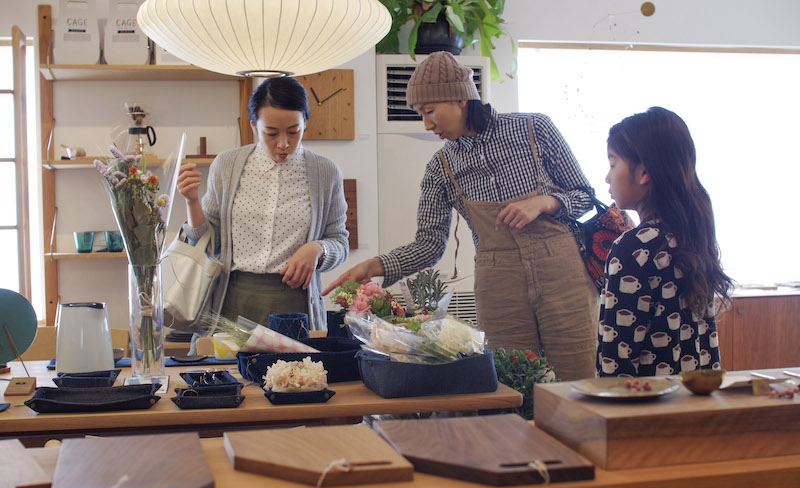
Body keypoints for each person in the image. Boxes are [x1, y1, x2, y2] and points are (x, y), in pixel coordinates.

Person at [323, 51, 598, 382]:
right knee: (511, 384)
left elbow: (585, 195)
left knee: (576, 380)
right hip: (500, 286)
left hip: (563, 276)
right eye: (420, 114)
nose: (427, 124)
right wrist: (375, 266)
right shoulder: (440, 168)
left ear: (460, 98)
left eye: (429, 111)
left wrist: (545, 203)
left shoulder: (534, 129)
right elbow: (428, 244)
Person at [177, 76, 349, 334]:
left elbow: (340, 242)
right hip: (232, 299)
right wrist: (192, 202)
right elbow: (208, 245)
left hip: (294, 303)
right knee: (229, 373)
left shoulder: (325, 172)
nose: (283, 143)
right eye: (271, 133)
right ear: (253, 126)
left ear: (306, 123)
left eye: (294, 131)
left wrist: (317, 248)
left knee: (296, 375)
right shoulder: (227, 165)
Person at [597, 107, 734, 377]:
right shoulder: (693, 235)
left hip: (645, 410)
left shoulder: (633, 247)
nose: (607, 177)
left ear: (644, 173)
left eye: (613, 164)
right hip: (692, 406)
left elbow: (616, 359)